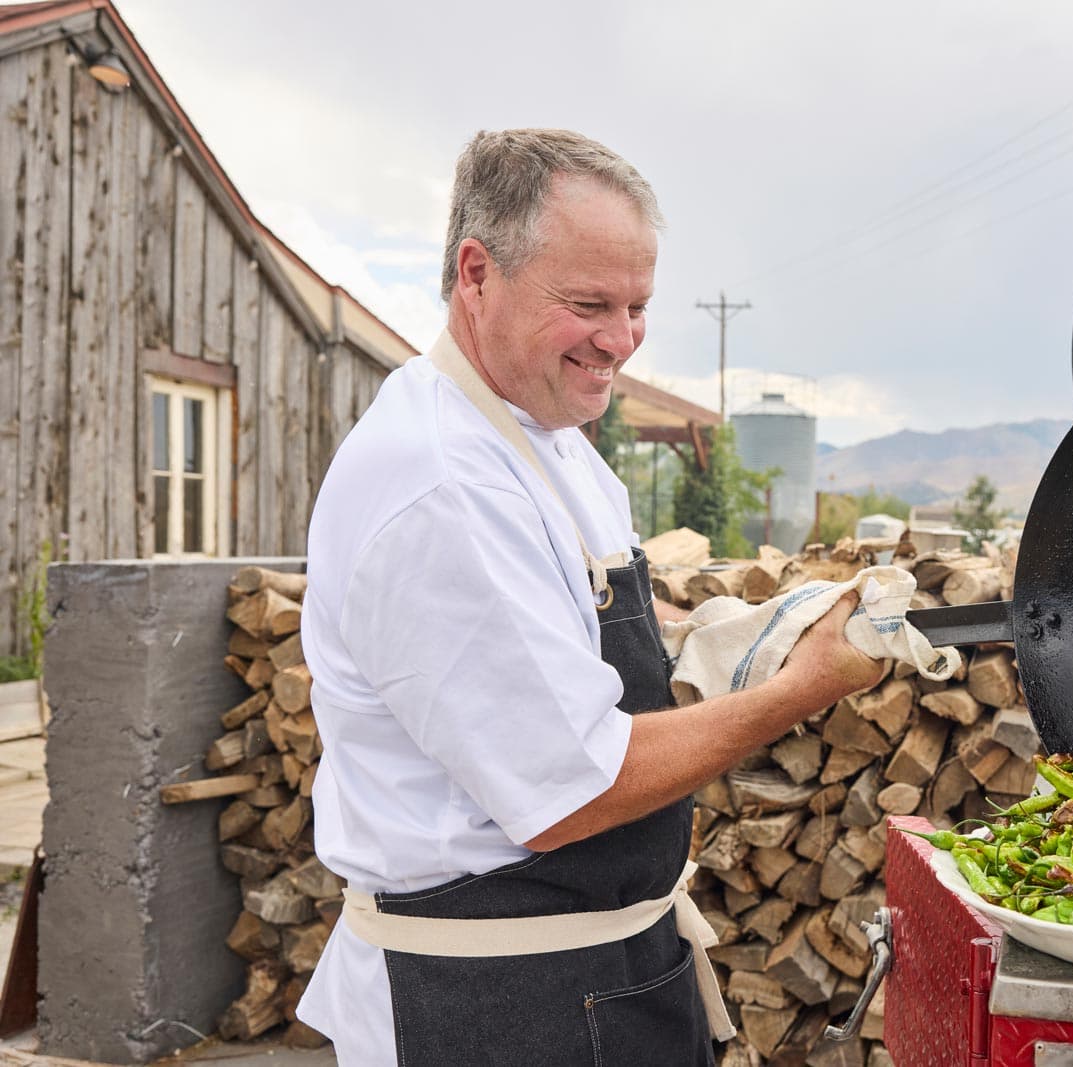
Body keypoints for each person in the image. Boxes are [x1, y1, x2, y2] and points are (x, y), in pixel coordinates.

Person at [295, 129, 884, 1065]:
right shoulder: (442, 484)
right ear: (476, 273)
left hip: (606, 969)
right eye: (589, 304)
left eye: (638, 305)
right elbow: (572, 790)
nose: (621, 339)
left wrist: (749, 628)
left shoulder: (547, 435)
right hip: (496, 1004)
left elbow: (578, 635)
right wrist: (796, 690)